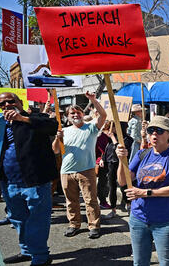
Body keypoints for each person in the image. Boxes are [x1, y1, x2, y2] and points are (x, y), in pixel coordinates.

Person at [116, 116, 169, 266]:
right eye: (151, 130)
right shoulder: (142, 154)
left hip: (165, 220)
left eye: (159, 131)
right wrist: (121, 160)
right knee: (139, 262)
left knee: (167, 262)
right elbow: (123, 181)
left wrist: (145, 193)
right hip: (138, 218)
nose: (154, 134)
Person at [0, 92, 58, 265]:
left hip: (34, 181)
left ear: (20, 102)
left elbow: (51, 126)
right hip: (9, 182)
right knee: (18, 218)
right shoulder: (0, 124)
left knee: (37, 220)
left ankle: (40, 257)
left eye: (11, 101)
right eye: (2, 104)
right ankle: (26, 251)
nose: (7, 105)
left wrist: (22, 118)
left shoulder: (34, 118)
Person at [53, 91, 107, 239]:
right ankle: (74, 224)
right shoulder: (63, 131)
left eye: (78, 112)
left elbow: (103, 116)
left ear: (82, 114)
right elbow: (56, 150)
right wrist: (58, 139)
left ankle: (94, 226)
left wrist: (93, 100)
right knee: (71, 201)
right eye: (72, 113)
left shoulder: (91, 128)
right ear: (67, 116)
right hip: (66, 171)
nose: (75, 115)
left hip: (86, 170)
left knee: (90, 200)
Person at [101, 122, 133, 219]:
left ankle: (128, 205)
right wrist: (103, 158)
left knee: (124, 186)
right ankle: (113, 209)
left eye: (114, 126)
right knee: (112, 187)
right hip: (110, 163)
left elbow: (120, 149)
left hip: (121, 165)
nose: (112, 128)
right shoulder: (111, 137)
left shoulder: (128, 139)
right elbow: (108, 149)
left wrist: (113, 139)